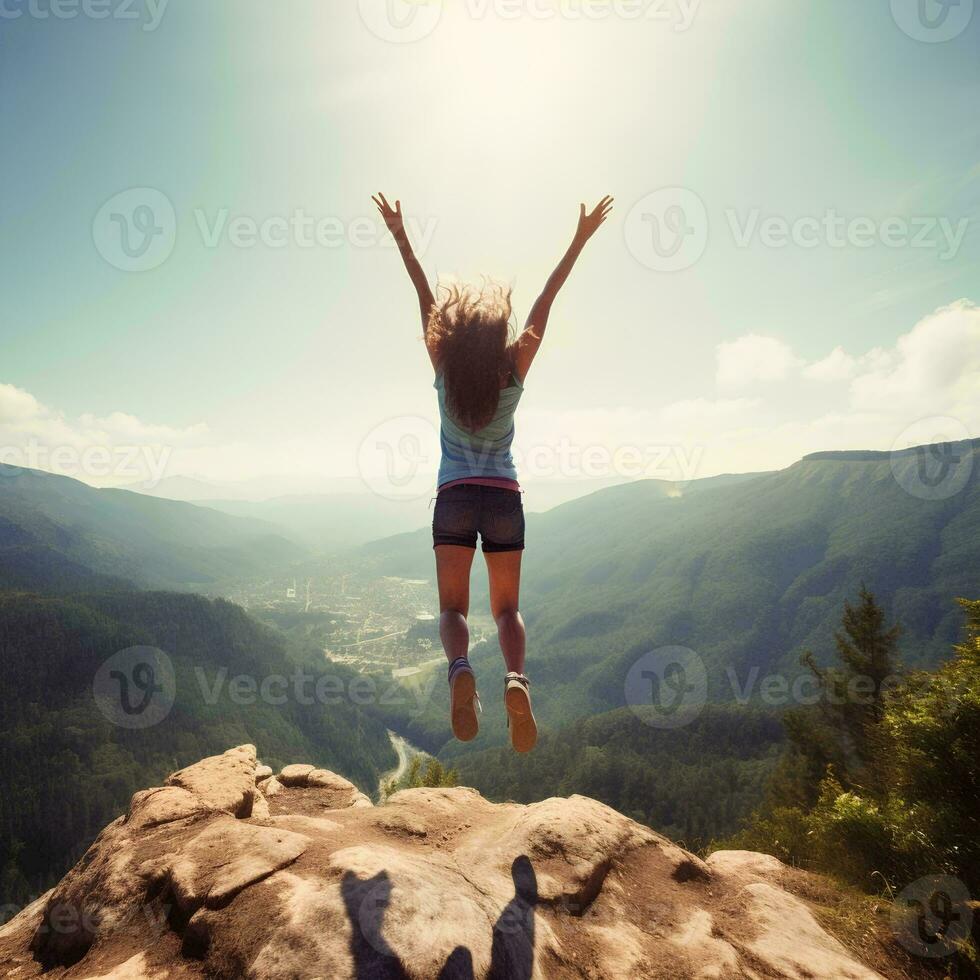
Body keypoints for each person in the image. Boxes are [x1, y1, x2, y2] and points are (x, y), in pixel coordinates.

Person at [373, 192, 613, 752]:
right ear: (498, 334)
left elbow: (424, 296)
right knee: (507, 609)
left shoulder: (444, 371)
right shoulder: (513, 370)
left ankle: (460, 671)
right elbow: (545, 303)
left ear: (454, 337)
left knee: (453, 609)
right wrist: (578, 240)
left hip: (454, 496)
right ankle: (515, 679)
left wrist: (400, 235)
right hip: (504, 498)